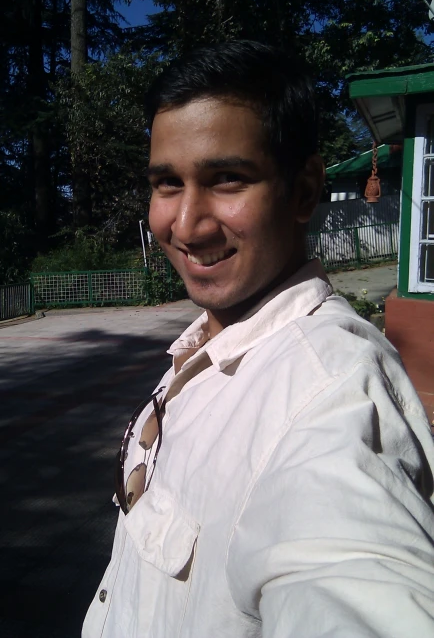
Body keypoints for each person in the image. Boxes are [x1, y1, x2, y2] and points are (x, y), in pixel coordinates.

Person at [82, 40, 434, 638]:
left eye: (226, 179)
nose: (186, 224)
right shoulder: (212, 348)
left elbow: (351, 575)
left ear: (303, 190)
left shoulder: (329, 399)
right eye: (167, 183)